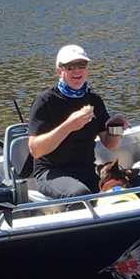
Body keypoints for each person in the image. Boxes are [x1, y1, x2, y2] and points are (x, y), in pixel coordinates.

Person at [27, 44, 129, 198]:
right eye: (70, 67)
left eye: (81, 65)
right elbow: (35, 150)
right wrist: (68, 126)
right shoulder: (45, 101)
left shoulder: (93, 100)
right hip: (51, 172)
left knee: (133, 184)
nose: (77, 70)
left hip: (86, 168)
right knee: (79, 194)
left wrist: (117, 127)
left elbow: (111, 144)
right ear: (59, 70)